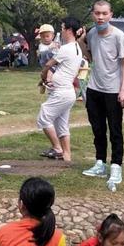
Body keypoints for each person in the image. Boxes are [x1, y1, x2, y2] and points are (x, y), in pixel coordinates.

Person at [79, 0, 124, 192]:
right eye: (97, 13)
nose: (101, 17)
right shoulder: (92, 33)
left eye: (104, 13)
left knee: (115, 130)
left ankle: (116, 166)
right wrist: (80, 40)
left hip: (113, 90)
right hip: (94, 88)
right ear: (93, 14)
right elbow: (90, 56)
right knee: (98, 129)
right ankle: (100, 162)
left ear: (110, 15)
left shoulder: (118, 36)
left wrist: (123, 89)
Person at [36, 17, 83, 162]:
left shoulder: (66, 48)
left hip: (62, 92)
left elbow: (48, 65)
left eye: (62, 28)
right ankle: (67, 156)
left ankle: (57, 149)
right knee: (61, 125)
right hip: (66, 92)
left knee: (44, 117)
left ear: (69, 30)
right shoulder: (77, 48)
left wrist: (43, 76)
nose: (61, 31)